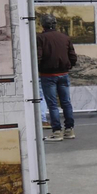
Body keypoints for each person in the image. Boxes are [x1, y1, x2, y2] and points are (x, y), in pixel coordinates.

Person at [37, 14, 79, 142]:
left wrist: (37, 69)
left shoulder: (40, 38)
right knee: (66, 102)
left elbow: (38, 57)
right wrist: (68, 67)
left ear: (43, 25)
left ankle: (57, 132)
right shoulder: (65, 37)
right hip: (63, 74)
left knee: (53, 104)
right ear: (55, 24)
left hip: (47, 76)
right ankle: (69, 129)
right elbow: (73, 57)